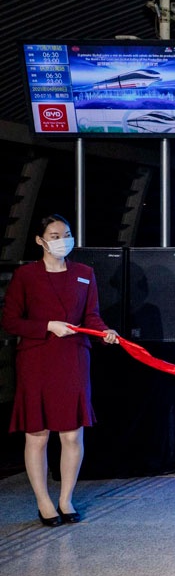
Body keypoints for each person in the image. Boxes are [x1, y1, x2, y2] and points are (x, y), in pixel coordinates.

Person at [2, 214, 118, 527]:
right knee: (37, 435)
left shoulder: (84, 273)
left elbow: (91, 316)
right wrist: (47, 326)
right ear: (40, 240)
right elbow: (10, 321)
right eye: (54, 236)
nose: (62, 240)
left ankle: (66, 499)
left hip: (73, 359)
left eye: (66, 234)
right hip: (37, 360)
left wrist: (105, 332)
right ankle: (43, 502)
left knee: (72, 434)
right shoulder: (26, 275)